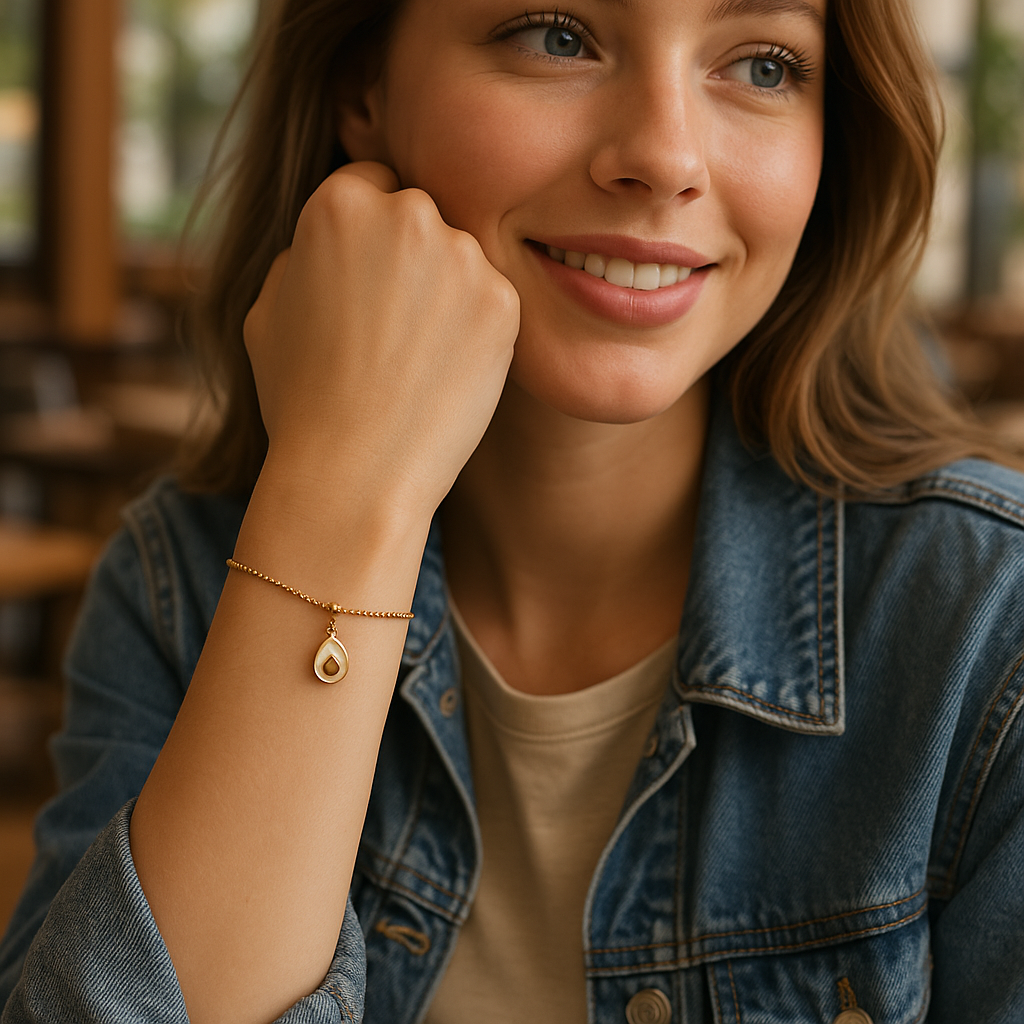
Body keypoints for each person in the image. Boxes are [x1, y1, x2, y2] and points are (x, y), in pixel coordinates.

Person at [2, 0, 1023, 1020]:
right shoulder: (176, 583)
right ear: (364, 89)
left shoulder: (989, 630)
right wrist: (336, 496)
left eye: (761, 65)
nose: (665, 157)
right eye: (556, 36)